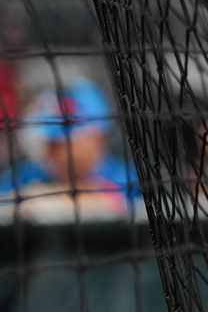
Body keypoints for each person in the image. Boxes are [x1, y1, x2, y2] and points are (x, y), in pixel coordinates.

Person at [0, 79, 135, 222]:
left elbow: (119, 205)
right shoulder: (29, 174)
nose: (52, 153)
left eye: (61, 144)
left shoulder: (127, 177)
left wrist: (45, 200)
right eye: (50, 143)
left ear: (97, 138)